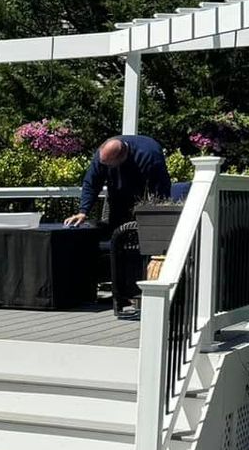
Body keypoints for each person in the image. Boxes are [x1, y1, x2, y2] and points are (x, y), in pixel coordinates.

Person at [63, 134, 172, 317]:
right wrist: (83, 211)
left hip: (147, 199)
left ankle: (143, 291)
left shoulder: (149, 154)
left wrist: (152, 218)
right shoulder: (103, 156)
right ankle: (121, 293)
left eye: (109, 165)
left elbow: (159, 190)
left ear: (122, 156)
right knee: (118, 242)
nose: (105, 167)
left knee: (142, 246)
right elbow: (92, 182)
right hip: (118, 198)